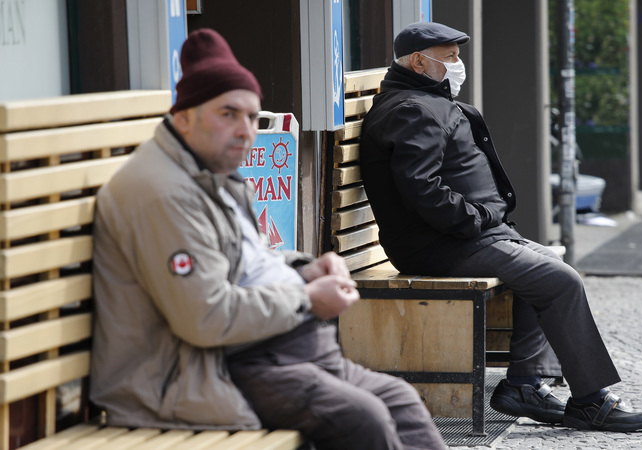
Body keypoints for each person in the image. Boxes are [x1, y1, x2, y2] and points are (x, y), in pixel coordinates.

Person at [90, 28, 447, 450]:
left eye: (251, 116)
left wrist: (304, 268)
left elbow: (249, 260)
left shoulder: (213, 170)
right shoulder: (162, 195)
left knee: (401, 401)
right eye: (228, 114)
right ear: (183, 117)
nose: (245, 130)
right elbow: (204, 316)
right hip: (207, 369)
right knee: (361, 419)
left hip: (284, 347)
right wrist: (306, 297)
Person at [359, 21, 642, 433]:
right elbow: (421, 189)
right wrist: (479, 218)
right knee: (559, 280)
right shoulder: (412, 109)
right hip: (443, 242)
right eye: (449, 57)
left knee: (548, 266)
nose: (458, 64)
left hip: (464, 235)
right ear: (418, 61)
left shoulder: (421, 100)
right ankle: (589, 401)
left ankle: (524, 384)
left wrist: (484, 220)